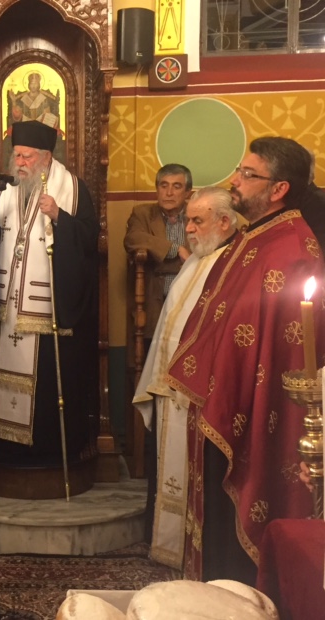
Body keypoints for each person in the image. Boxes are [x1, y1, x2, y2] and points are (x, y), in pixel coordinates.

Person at [166, 137, 325, 585]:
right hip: (225, 398)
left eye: (248, 174)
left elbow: (278, 347)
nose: (234, 181)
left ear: (278, 189)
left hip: (253, 411)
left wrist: (229, 392)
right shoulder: (257, 236)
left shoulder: (292, 250)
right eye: (240, 170)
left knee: (231, 542)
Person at [0, 120, 99, 468]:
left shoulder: (73, 188)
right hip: (11, 308)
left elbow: (89, 239)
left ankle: (51, 448)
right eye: (16, 155)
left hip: (51, 310)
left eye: (27, 156)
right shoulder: (7, 189)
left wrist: (59, 216)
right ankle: (10, 446)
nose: (20, 162)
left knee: (49, 384)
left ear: (46, 156)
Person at [133, 186, 238, 570]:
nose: (189, 229)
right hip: (172, 388)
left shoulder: (232, 264)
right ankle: (166, 545)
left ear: (223, 222)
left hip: (199, 397)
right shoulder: (197, 259)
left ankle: (191, 552)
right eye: (188, 221)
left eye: (197, 221)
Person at [123, 164, 193, 342]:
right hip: (155, 296)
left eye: (176, 186)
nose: (169, 193)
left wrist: (161, 260)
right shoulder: (143, 213)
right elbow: (132, 238)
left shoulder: (196, 214)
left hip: (190, 296)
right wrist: (176, 249)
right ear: (157, 189)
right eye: (164, 185)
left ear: (187, 192)